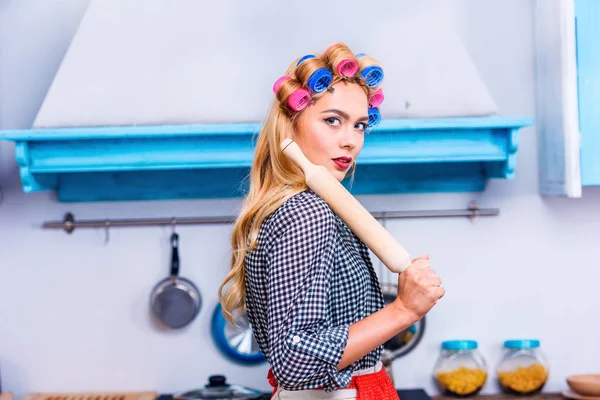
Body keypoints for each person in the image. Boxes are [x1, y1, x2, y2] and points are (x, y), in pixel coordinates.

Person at [218, 42, 445, 400]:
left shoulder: (305, 207)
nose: (351, 141)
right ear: (290, 127)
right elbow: (294, 359)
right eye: (332, 120)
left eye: (360, 126)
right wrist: (403, 311)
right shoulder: (307, 213)